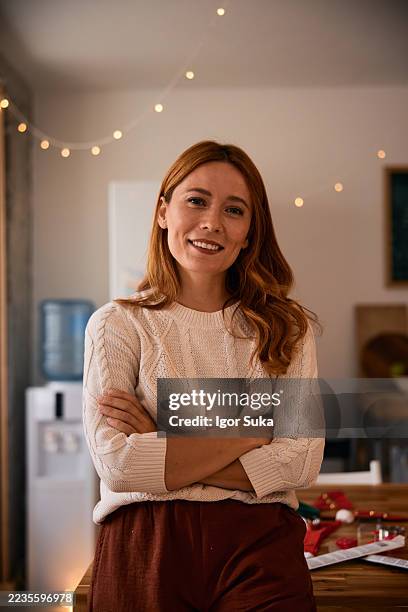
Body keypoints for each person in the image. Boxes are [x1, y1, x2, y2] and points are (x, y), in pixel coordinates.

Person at [82, 140, 325, 611]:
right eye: (196, 200)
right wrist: (252, 431)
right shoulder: (117, 324)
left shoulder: (287, 327)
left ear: (249, 233)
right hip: (144, 541)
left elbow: (301, 461)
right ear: (163, 212)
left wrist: (161, 437)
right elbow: (118, 465)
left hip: (261, 545)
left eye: (234, 210)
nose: (212, 222)